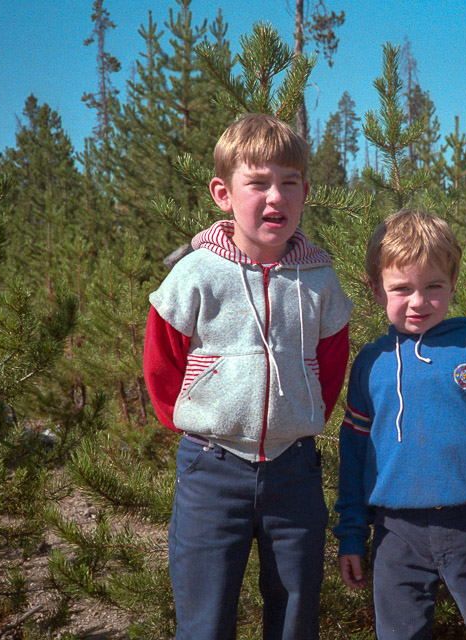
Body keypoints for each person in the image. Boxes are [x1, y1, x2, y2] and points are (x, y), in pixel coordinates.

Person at [143, 113, 353, 640]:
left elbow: (330, 365)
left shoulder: (320, 281)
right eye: (257, 183)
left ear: (305, 192)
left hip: (294, 473)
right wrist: (201, 420)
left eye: (288, 184)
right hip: (211, 471)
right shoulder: (195, 275)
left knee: (295, 616)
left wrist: (295, 420)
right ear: (223, 193)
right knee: (206, 620)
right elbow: (162, 361)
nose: (274, 198)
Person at [333, 209, 466, 640]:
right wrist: (352, 534)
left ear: (452, 284)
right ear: (376, 290)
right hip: (395, 534)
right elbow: (354, 455)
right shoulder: (370, 365)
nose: (418, 301)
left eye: (433, 287)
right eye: (402, 288)